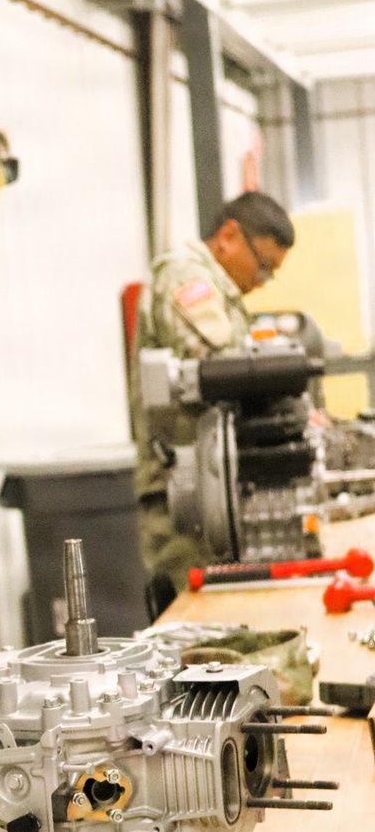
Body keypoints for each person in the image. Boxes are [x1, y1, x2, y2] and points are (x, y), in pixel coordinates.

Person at [129, 191, 296, 599]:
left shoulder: (220, 291)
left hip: (212, 488)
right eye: (263, 266)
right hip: (183, 495)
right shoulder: (186, 275)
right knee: (193, 627)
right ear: (229, 235)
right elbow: (219, 366)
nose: (262, 282)